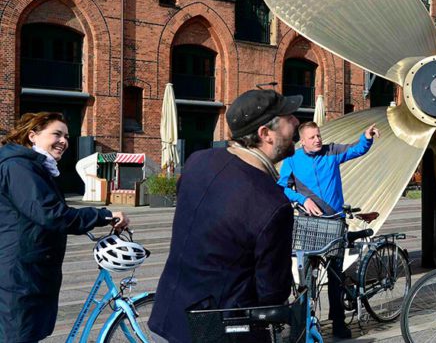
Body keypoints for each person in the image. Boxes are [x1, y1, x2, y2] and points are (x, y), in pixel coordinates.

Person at [148, 90, 301, 343]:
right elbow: (272, 293)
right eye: (288, 117)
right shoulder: (272, 204)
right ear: (265, 134)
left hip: (174, 312)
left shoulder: (198, 161)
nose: (297, 122)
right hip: (221, 329)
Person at [0, 112, 129, 343]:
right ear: (32, 136)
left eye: (66, 136)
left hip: (30, 266)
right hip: (19, 270)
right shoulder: (20, 167)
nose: (64, 141)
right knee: (18, 335)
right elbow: (50, 214)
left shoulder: (32, 166)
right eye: (56, 134)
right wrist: (103, 216)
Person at [278, 121, 379, 338]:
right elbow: (281, 187)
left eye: (319, 135)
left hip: (335, 222)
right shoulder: (292, 160)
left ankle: (339, 323)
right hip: (310, 225)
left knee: (335, 275)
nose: (318, 140)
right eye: (312, 137)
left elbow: (357, 149)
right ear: (302, 141)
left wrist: (366, 137)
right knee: (307, 278)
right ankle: (304, 323)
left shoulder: (332, 151)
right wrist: (302, 199)